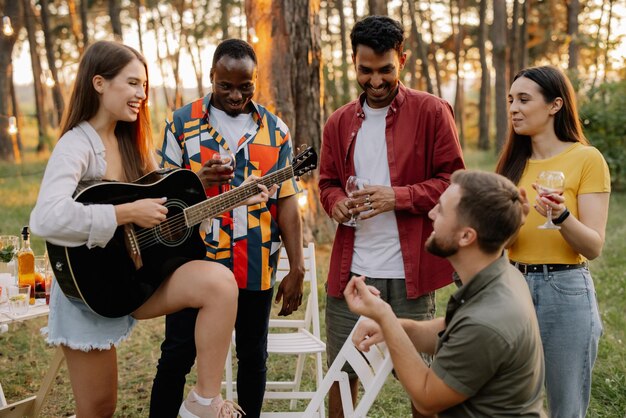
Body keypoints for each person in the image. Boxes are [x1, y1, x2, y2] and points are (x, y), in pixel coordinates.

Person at [28, 41, 274, 418]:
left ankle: (204, 402)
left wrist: (234, 199)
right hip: (89, 287)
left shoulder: (132, 144)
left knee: (219, 283)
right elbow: (46, 218)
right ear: (98, 83)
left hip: (133, 279)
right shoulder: (76, 145)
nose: (142, 95)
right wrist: (125, 212)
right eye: (132, 84)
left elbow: (165, 217)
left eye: (144, 86)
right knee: (98, 408)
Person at [318, 15, 465, 417]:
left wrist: (397, 196)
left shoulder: (433, 111)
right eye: (366, 70)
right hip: (352, 275)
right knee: (342, 376)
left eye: (386, 70)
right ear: (353, 62)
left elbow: (454, 182)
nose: (376, 80)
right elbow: (328, 183)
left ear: (403, 59)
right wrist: (335, 203)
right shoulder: (339, 121)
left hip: (411, 276)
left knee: (421, 384)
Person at [151, 38, 304, 418]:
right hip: (194, 264)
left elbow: (286, 201)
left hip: (255, 263)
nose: (236, 95)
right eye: (225, 85)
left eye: (245, 86)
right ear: (211, 78)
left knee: (254, 358)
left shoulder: (276, 130)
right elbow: (161, 196)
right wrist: (196, 179)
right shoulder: (181, 124)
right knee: (176, 356)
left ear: (256, 80)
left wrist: (297, 267)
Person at [345, 170, 546, 417]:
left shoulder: (487, 320)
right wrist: (393, 328)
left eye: (440, 210)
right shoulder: (499, 275)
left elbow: (427, 398)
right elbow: (453, 330)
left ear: (466, 236)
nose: (430, 214)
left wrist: (385, 316)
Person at [495, 65, 610, 418]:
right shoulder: (511, 165)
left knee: (565, 407)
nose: (514, 108)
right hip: (512, 287)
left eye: (524, 99)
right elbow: (503, 243)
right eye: (511, 99)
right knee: (509, 403)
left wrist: (560, 217)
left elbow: (592, 246)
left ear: (555, 105)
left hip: (565, 289)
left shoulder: (586, 159)